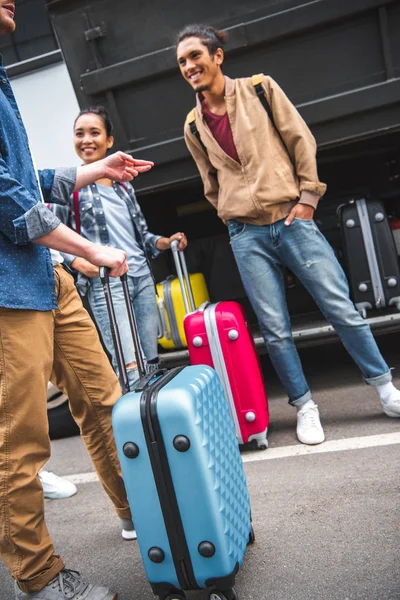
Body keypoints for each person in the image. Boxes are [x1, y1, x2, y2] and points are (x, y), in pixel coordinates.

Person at [176, 24, 400, 445]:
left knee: (341, 307)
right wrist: (232, 220)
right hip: (246, 234)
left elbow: (300, 139)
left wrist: (308, 199)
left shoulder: (260, 89)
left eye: (195, 56)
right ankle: (304, 407)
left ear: (217, 56)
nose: (189, 66)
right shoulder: (192, 124)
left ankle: (386, 389)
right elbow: (210, 182)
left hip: (292, 220)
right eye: (182, 61)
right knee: (275, 328)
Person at [0, 3, 154, 597]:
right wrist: (95, 247)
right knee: (21, 439)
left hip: (45, 274)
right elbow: (9, 202)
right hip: (8, 289)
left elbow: (25, 178)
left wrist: (98, 170)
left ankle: (140, 511)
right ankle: (37, 578)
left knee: (103, 398)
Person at [50, 106, 187, 387]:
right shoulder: (69, 187)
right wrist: (79, 264)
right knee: (129, 366)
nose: (86, 139)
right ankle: (137, 428)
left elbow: (142, 237)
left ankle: (152, 421)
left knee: (151, 361)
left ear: (109, 141)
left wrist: (165, 241)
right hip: (107, 283)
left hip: (142, 278)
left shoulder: (124, 187)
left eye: (94, 133)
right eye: (79, 134)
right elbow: (52, 233)